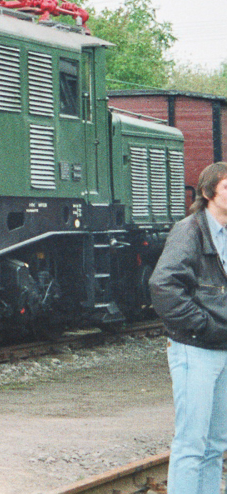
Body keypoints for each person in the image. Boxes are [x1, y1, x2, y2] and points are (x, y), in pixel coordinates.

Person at [150, 160, 227, 494]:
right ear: (209, 192)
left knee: (216, 443)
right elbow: (164, 286)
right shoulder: (189, 230)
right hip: (195, 348)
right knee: (191, 442)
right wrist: (205, 327)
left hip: (222, 348)